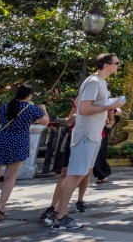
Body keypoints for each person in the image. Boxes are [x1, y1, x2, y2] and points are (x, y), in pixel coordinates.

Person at [51, 54, 125, 231]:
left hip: (93, 133)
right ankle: (60, 216)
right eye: (116, 63)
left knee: (81, 173)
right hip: (85, 134)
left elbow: (80, 101)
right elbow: (83, 108)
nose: (118, 66)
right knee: (75, 174)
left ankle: (61, 213)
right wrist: (109, 106)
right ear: (107, 65)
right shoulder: (93, 81)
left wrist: (108, 108)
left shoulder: (100, 82)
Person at [0, 84, 49, 221]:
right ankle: (1, 206)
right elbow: (45, 122)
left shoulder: (5, 106)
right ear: (30, 95)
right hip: (18, 142)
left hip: (0, 140)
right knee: (10, 177)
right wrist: (43, 109)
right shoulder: (31, 109)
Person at [39, 101, 106, 225]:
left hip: (93, 137)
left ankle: (79, 200)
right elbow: (70, 121)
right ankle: (55, 208)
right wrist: (76, 117)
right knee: (65, 172)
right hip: (77, 136)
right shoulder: (80, 100)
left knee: (86, 171)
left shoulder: (103, 101)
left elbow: (110, 120)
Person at [92, 107, 121, 184]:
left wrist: (107, 127)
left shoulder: (106, 104)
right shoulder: (86, 101)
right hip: (88, 129)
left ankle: (102, 174)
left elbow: (117, 113)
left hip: (101, 130)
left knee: (99, 153)